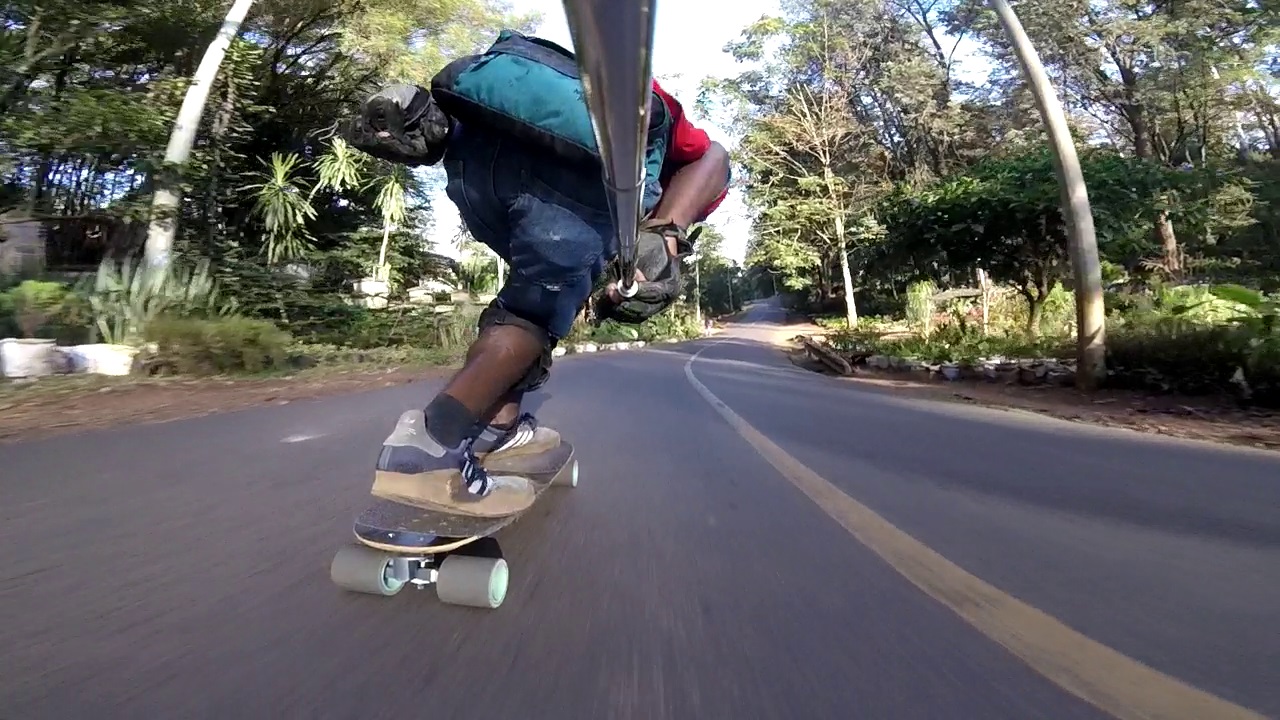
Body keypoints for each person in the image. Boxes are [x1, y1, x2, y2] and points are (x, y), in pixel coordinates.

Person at [343, 29, 730, 519]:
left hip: (473, 173)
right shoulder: (650, 118)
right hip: (572, 184)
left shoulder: (544, 76)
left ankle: (498, 432)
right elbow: (713, 157)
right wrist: (668, 235)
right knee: (535, 312)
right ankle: (425, 451)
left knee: (530, 300)